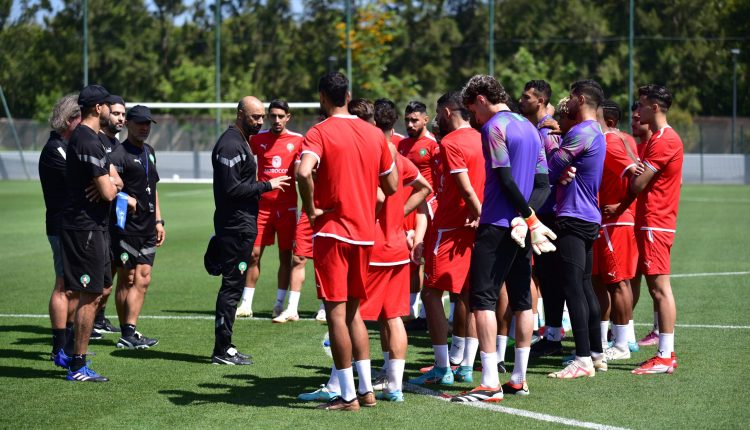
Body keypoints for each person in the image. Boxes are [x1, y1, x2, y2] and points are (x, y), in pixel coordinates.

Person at [297, 72, 397, 411]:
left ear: (322, 97)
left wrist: (311, 208)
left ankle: (347, 395)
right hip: (364, 236)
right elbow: (391, 186)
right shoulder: (374, 134)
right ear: (348, 95)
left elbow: (302, 172)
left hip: (333, 233)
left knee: (336, 315)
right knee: (354, 314)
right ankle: (366, 391)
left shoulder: (319, 132)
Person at [452, 75, 555, 403]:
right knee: (523, 300)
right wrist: (527, 218)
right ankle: (519, 379)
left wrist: (525, 217)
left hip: (498, 223)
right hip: (520, 227)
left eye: (473, 110)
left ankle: (489, 382)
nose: (474, 117)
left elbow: (505, 178)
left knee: (482, 300)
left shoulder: (494, 127)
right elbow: (543, 185)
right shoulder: (530, 127)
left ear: (482, 99)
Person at [409, 91, 484, 387]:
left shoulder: (450, 143)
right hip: (475, 228)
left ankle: (442, 367)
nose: (438, 118)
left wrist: (475, 210)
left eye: (439, 112)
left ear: (448, 112)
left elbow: (462, 188)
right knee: (467, 295)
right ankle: (465, 365)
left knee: (430, 293)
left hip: (450, 227)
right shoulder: (483, 138)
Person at [361, 98, 431, 402]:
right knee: (393, 317)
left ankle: (348, 384)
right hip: (397, 247)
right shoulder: (400, 158)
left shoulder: (373, 157)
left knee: (353, 317)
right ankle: (394, 385)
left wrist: (373, 214)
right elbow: (425, 188)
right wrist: (400, 211)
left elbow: (378, 198)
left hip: (374, 247)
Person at [210, 97, 290, 365]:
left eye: (262, 117)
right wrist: (267, 185)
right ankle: (221, 350)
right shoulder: (230, 144)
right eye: (255, 117)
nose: (260, 122)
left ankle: (226, 346)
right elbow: (231, 189)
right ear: (240, 114)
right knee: (231, 287)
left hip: (241, 224)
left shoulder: (242, 141)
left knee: (234, 286)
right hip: (234, 227)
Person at [545, 80, 607, 379]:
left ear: (581, 99)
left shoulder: (581, 132)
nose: (566, 102)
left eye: (570, 97)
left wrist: (551, 142)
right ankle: (596, 353)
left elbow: (552, 167)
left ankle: (582, 358)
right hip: (588, 216)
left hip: (573, 215)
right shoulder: (595, 131)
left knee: (573, 286)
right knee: (583, 285)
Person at [59, 84, 121, 382]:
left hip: (95, 227)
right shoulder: (86, 139)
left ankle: (69, 352)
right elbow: (109, 192)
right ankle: (77, 365)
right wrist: (108, 185)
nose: (112, 110)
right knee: (90, 293)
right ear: (98, 108)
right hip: (84, 228)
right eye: (108, 105)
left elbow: (116, 181)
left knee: (100, 289)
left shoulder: (94, 139)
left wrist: (110, 184)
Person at [620, 84, 683, 375]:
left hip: (656, 222)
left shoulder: (664, 139)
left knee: (660, 289)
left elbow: (638, 184)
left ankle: (665, 355)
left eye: (642, 105)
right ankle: (665, 353)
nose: (638, 110)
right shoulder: (658, 138)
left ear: (654, 108)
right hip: (652, 221)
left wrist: (633, 171)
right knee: (656, 288)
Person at [235, 99, 304, 322]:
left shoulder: (298, 141)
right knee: (253, 255)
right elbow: (246, 163)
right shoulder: (258, 139)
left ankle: (279, 304)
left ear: (288, 117)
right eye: (272, 116)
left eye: (280, 116)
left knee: (286, 256)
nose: (276, 120)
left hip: (287, 207)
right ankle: (246, 304)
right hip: (262, 207)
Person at [109, 105, 165, 349]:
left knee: (143, 279)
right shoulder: (118, 155)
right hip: (126, 229)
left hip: (148, 228)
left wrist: (159, 220)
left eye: (148, 124)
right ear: (128, 124)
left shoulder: (150, 152)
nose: (144, 128)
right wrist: (124, 200)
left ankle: (130, 331)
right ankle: (126, 332)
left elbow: (154, 189)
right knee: (127, 278)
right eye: (140, 123)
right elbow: (109, 191)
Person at [593, 100, 641, 359]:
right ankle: (611, 341)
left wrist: (622, 206)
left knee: (618, 283)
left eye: (595, 119)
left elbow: (638, 175)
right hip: (612, 221)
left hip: (616, 223)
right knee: (609, 282)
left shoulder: (611, 142)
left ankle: (622, 345)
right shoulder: (621, 139)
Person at [39, 93, 81, 365]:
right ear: (69, 120)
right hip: (61, 225)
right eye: (81, 119)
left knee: (73, 286)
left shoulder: (67, 147)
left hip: (73, 225)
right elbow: (80, 181)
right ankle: (58, 347)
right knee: (63, 284)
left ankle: (67, 345)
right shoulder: (55, 149)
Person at [398, 101, 439, 327]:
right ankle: (412, 311)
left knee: (431, 259)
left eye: (415, 120)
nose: (410, 124)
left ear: (426, 119)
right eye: (407, 120)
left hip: (429, 209)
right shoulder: (402, 145)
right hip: (407, 208)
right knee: (411, 260)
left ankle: (429, 313)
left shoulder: (433, 145)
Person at [92, 95, 127, 336]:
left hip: (119, 218)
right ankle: (89, 319)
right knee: (101, 274)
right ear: (105, 113)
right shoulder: (97, 141)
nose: (120, 118)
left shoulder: (118, 144)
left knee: (112, 270)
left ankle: (99, 317)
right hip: (101, 219)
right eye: (116, 114)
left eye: (123, 114)